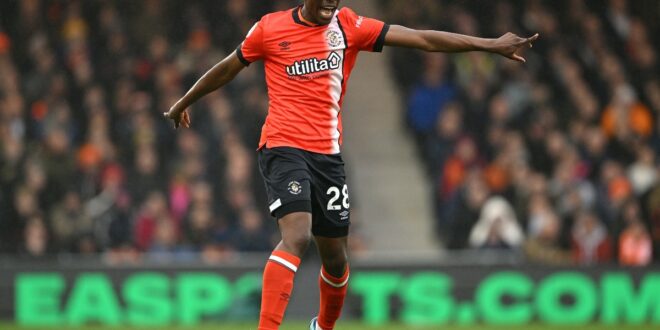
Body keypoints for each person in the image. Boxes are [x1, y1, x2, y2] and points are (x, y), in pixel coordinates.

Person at [164, 1, 538, 329]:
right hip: (283, 146)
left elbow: (422, 39)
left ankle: (322, 327)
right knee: (297, 236)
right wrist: (184, 101)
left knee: (337, 261)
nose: (330, 1)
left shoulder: (349, 26)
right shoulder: (269, 28)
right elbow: (229, 67)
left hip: (328, 156)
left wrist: (488, 44)